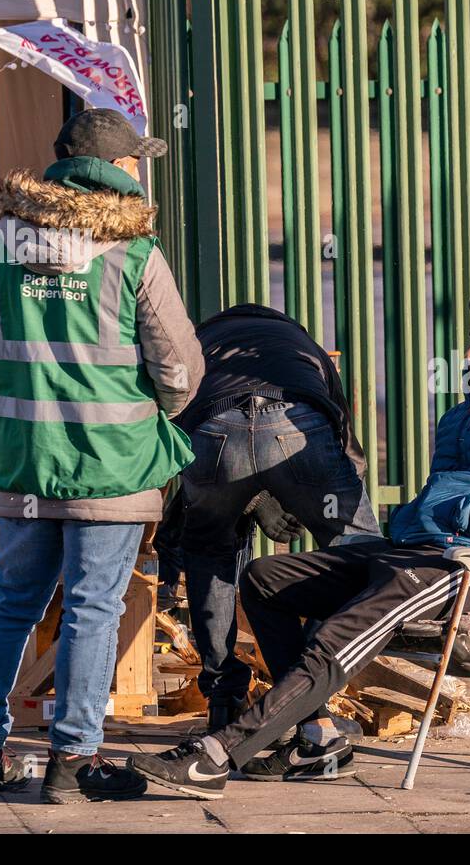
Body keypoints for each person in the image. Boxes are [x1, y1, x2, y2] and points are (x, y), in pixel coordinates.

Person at [128, 289, 470, 796]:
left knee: (345, 629)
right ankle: (315, 736)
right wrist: (422, 516)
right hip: (417, 550)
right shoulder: (460, 416)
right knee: (265, 578)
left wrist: (456, 512)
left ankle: (217, 753)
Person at [0, 108, 204, 804]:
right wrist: (142, 417)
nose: (138, 173)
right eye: (133, 162)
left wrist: (21, 399)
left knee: (9, 602)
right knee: (92, 605)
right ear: (113, 171)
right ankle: (72, 760)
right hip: (112, 466)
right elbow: (181, 371)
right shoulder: (135, 254)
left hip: (25, 458)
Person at [156, 303, 383, 735]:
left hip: (213, 434)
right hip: (298, 426)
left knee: (211, 558)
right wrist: (308, 495)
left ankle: (223, 701)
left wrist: (247, 494)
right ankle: (310, 688)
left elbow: (173, 438)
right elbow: (347, 450)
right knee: (360, 556)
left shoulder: (197, 346)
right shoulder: (304, 347)